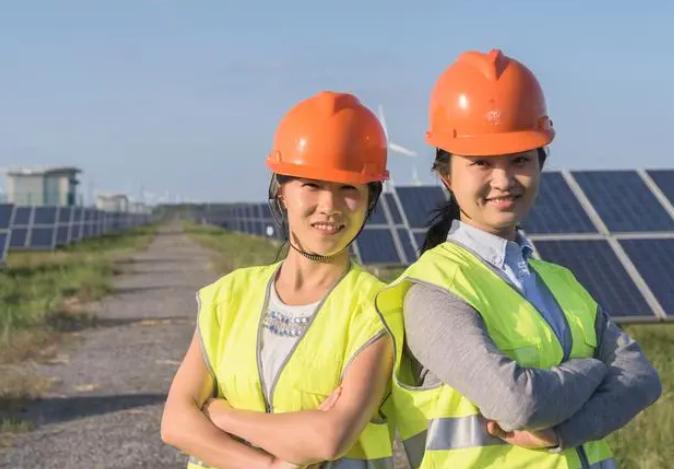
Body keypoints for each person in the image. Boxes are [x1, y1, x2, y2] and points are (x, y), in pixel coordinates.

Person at [375, 49, 661, 469]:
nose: (504, 180)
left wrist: (561, 432)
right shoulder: (432, 290)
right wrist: (593, 369)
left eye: (520, 160)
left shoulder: (560, 280)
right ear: (445, 176)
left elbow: (642, 381)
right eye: (480, 163)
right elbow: (517, 404)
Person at [162, 91, 394, 469]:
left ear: (370, 199)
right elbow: (175, 422)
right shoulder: (229, 296)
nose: (329, 207)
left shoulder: (379, 308)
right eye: (312, 185)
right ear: (281, 191)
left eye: (349, 188)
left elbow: (329, 437)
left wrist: (221, 415)